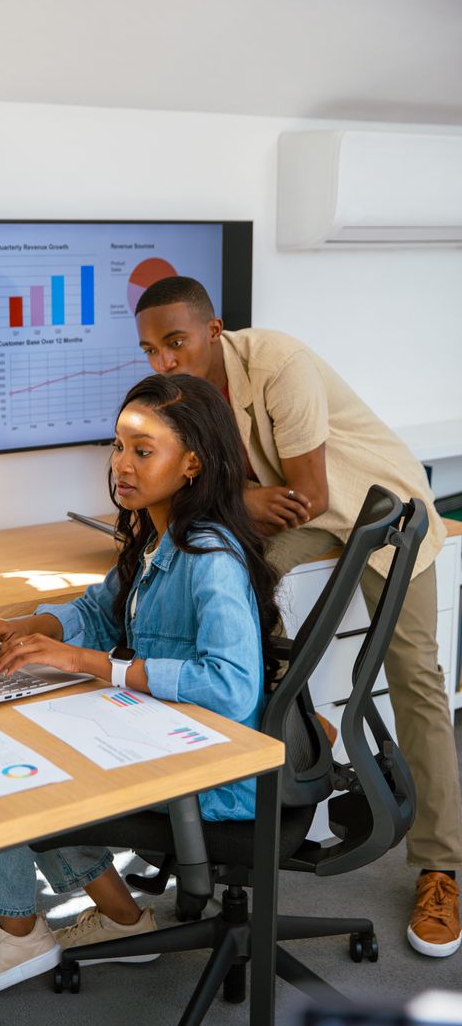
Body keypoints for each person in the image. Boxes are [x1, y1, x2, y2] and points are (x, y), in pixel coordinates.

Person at [134, 274, 462, 958]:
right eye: (150, 350)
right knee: (221, 586)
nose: (164, 362)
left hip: (373, 505)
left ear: (213, 330)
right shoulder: (184, 398)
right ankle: (289, 730)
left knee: (416, 680)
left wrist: (241, 501)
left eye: (175, 343)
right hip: (300, 510)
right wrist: (236, 503)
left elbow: (307, 493)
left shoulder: (276, 363)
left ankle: (443, 869)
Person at [0, 372, 281, 1000]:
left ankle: (19, 933)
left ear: (194, 463)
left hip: (216, 775)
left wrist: (90, 665)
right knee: (20, 735)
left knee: (9, 766)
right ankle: (125, 917)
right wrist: (22, 626)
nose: (121, 465)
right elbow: (98, 611)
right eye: (117, 447)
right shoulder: (155, 534)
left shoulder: (211, 559)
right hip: (169, 737)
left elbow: (232, 689)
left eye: (143, 451)